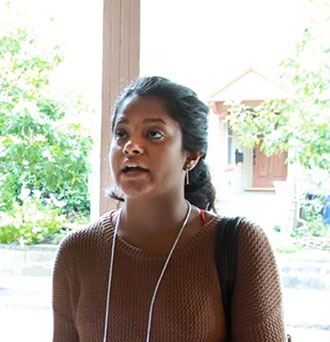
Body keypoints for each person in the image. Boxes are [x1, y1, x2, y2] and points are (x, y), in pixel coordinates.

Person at [52, 76, 287, 341]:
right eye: (121, 134)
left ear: (191, 155)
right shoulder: (78, 250)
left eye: (154, 134)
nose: (131, 146)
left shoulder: (240, 244)